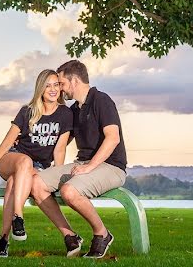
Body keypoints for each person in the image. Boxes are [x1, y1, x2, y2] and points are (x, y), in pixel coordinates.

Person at [0, 69, 74, 257]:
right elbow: (6, 143)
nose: (52, 89)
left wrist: (57, 177)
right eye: (47, 85)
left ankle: (3, 239)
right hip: (12, 159)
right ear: (40, 89)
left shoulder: (65, 114)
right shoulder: (27, 111)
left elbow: (59, 149)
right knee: (24, 161)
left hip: (37, 167)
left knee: (13, 183)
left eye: (56, 84)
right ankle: (19, 216)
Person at [30, 59, 127, 259]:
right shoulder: (74, 110)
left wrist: (89, 167)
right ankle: (71, 236)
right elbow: (60, 143)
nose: (60, 89)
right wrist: (34, 163)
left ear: (74, 81)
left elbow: (113, 138)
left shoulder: (101, 100)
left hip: (111, 166)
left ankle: (102, 234)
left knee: (69, 191)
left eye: (62, 83)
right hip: (81, 164)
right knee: (36, 183)